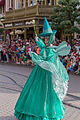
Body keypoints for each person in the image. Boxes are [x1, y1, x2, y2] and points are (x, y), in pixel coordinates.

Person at [14, 17, 71, 120]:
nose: (45, 40)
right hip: (39, 73)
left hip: (48, 75)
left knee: (47, 94)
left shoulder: (52, 50)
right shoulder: (45, 47)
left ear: (51, 38)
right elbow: (40, 45)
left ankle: (46, 113)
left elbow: (49, 63)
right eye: (44, 38)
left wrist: (38, 59)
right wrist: (36, 40)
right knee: (34, 91)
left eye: (47, 38)